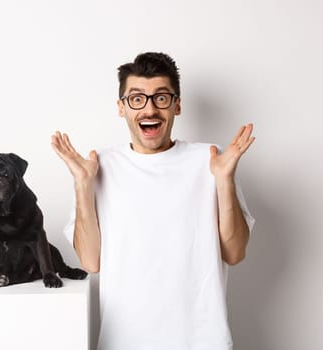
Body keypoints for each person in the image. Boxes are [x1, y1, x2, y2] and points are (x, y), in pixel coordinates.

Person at [50, 52, 255, 350]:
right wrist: (83, 185)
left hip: (202, 341)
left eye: (161, 98)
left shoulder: (210, 160)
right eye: (136, 99)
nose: (149, 109)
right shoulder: (98, 166)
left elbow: (234, 253)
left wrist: (223, 182)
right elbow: (91, 262)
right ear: (121, 108)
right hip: (123, 342)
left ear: (177, 105)